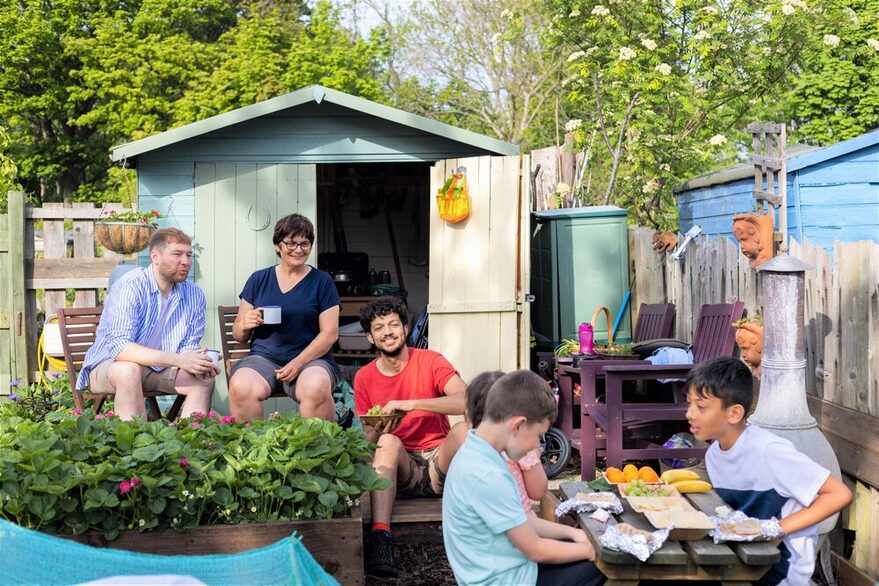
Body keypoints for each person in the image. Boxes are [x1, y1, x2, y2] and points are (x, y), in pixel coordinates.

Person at [685, 357, 852, 586]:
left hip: (782, 567)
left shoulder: (769, 451)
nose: (690, 414)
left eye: (701, 407)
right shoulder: (714, 455)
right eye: (689, 404)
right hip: (744, 554)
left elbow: (839, 494)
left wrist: (776, 529)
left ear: (734, 414)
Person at [443, 370, 604, 586]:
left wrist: (573, 535)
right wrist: (593, 551)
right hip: (508, 580)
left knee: (585, 547)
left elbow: (524, 521)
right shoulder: (486, 475)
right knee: (614, 566)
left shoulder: (481, 452)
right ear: (517, 425)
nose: (537, 446)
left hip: (512, 567)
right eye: (538, 436)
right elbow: (535, 550)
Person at [353, 296, 468, 577]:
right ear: (369, 337)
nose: (388, 331)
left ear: (405, 329)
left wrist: (414, 403)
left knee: (464, 430)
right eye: (379, 327)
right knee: (387, 442)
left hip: (439, 463)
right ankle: (381, 538)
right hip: (403, 470)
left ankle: (476, 526)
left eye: (394, 324)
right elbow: (366, 442)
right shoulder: (364, 377)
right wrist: (380, 428)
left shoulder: (430, 361)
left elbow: (467, 400)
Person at [77, 228, 217, 421]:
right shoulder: (131, 286)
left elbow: (187, 348)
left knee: (203, 379)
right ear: (155, 256)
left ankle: (187, 442)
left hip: (158, 368)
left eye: (188, 255)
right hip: (109, 366)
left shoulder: (194, 295)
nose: (186, 261)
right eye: (177, 254)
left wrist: (199, 362)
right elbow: (120, 349)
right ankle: (136, 445)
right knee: (129, 369)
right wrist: (178, 360)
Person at [228, 214, 342, 423]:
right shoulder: (258, 279)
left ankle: (319, 451)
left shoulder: (322, 281)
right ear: (277, 246)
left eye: (305, 243)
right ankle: (254, 449)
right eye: (291, 243)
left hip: (311, 360)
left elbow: (330, 333)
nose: (298, 249)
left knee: (315, 387)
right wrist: (245, 323)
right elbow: (239, 334)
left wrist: (298, 363)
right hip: (264, 359)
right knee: (240, 386)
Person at [466, 371, 548, 518]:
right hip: (518, 523)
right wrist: (534, 454)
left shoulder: (471, 448)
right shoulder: (518, 447)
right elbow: (538, 491)